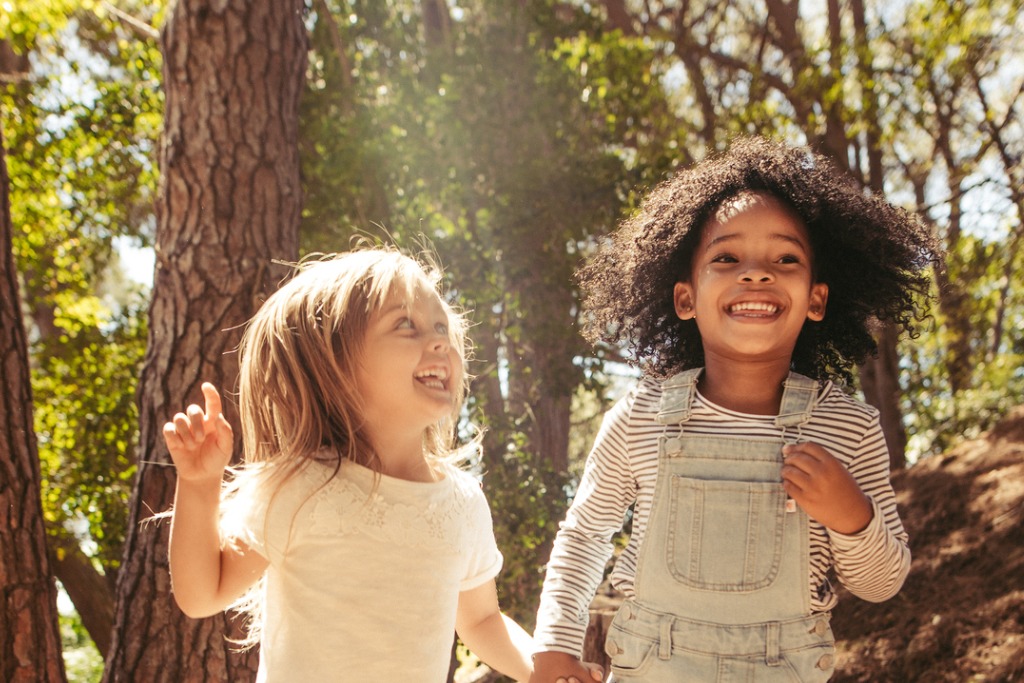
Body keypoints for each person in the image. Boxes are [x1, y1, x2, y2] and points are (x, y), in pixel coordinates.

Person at [530, 137, 940, 682]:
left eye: (785, 258)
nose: (755, 273)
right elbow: (585, 533)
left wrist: (852, 517)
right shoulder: (641, 414)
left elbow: (881, 582)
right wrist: (555, 643)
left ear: (817, 299)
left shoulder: (850, 426)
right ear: (685, 298)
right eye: (726, 257)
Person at [163, 248, 601, 682]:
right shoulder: (302, 487)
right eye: (404, 324)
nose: (440, 341)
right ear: (336, 363)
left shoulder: (462, 504)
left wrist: (544, 672)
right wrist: (200, 483)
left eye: (441, 326)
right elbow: (203, 595)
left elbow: (482, 620)